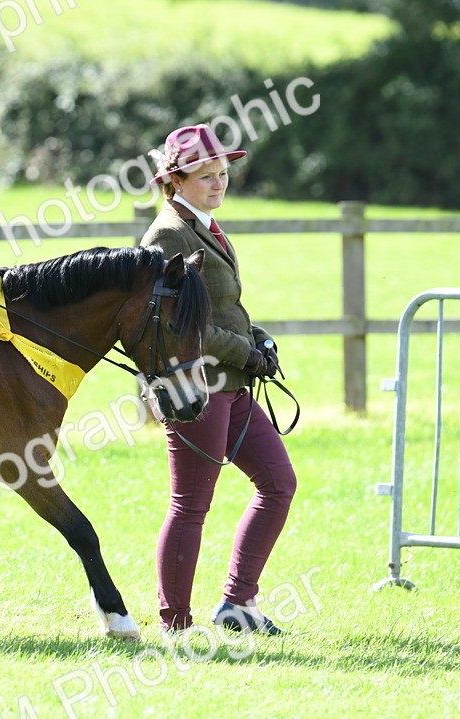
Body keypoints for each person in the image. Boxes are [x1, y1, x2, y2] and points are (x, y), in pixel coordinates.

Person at [139, 124, 297, 635]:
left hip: (232, 383)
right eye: (206, 175)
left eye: (222, 173)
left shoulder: (205, 225)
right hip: (195, 390)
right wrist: (246, 352)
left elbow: (223, 306)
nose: (218, 183)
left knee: (278, 484)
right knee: (191, 506)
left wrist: (257, 338)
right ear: (175, 181)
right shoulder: (167, 234)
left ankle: (238, 603)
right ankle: (175, 623)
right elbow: (185, 325)